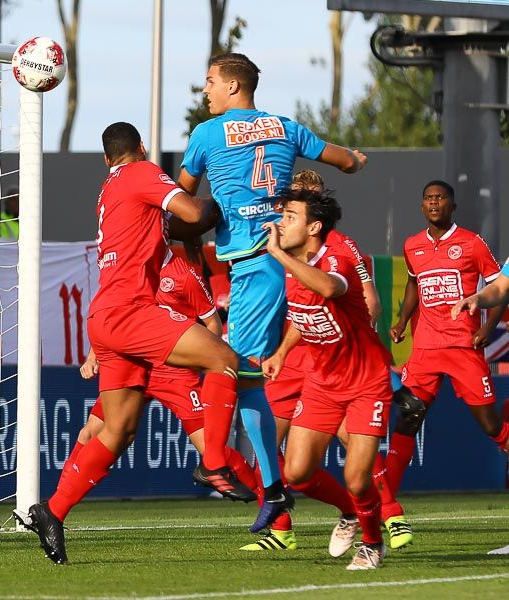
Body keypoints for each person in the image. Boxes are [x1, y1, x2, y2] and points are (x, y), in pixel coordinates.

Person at [16, 122, 240, 565]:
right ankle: (213, 461)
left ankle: (52, 510)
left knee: (118, 429)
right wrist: (223, 208)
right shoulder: (142, 172)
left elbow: (170, 226)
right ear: (139, 148)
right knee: (224, 360)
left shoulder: (108, 188)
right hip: (133, 311)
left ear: (105, 158)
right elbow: (193, 215)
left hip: (104, 318)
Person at [176, 53, 367, 522]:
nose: (206, 91)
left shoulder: (207, 134)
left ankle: (217, 461)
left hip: (258, 265)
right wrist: (357, 159)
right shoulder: (286, 126)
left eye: (210, 82)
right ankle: (276, 494)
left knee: (227, 367)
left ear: (234, 87)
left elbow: (182, 202)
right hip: (289, 261)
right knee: (250, 380)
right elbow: (344, 161)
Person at [257, 169, 406, 555]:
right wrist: (282, 352)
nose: (280, 223)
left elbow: (327, 287)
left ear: (314, 227)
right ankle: (350, 513)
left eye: (290, 216)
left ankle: (373, 543)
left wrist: (274, 253)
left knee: (357, 479)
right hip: (323, 381)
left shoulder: (335, 256)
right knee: (296, 472)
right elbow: (305, 317)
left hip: (366, 381)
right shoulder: (294, 263)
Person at [67, 241, 258, 502]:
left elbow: (212, 324)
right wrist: (93, 356)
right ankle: (55, 509)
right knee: (89, 432)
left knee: (213, 450)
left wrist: (199, 360)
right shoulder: (128, 268)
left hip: (175, 372)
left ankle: (268, 505)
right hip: (134, 365)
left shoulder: (184, 275)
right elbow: (109, 315)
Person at [386, 181, 509, 542]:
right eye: (428, 198)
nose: (434, 203)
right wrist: (402, 320)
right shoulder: (412, 245)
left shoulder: (472, 243)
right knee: (407, 417)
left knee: (489, 423)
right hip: (425, 348)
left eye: (441, 198)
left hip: (463, 346)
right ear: (422, 206)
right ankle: (386, 504)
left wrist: (487, 326)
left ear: (453, 205)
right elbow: (413, 285)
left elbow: (500, 284)